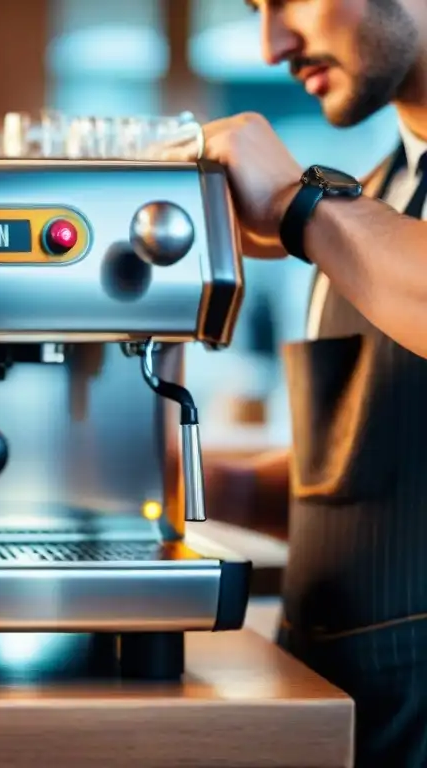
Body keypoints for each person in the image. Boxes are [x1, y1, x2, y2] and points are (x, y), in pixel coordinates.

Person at [199, 1, 427, 765]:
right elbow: (385, 480)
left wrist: (296, 206)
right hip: (359, 722)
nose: (273, 45)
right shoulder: (373, 199)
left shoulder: (332, 218)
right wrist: (214, 487)